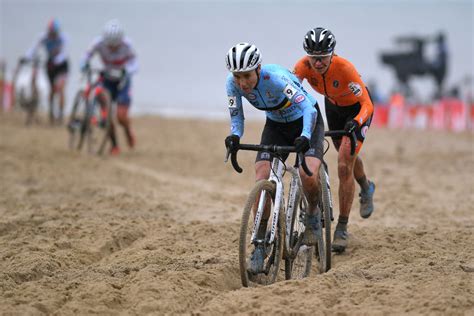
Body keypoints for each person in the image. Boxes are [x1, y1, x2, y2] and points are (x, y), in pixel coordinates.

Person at [224, 42, 325, 273]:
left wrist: (305, 136)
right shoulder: (232, 85)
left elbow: (309, 109)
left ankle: (312, 214)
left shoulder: (276, 79)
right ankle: (259, 244)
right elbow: (237, 118)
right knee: (261, 175)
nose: (242, 83)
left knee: (306, 173)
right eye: (237, 76)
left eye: (247, 76)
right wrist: (234, 136)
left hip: (306, 120)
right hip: (276, 125)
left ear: (258, 69)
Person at [293, 27, 376, 253]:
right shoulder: (302, 66)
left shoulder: (345, 69)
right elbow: (290, 89)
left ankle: (341, 227)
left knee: (342, 164)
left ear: (332, 53)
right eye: (313, 58)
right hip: (333, 106)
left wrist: (357, 122)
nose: (318, 63)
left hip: (357, 110)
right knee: (347, 158)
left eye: (322, 58)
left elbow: (367, 104)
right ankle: (366, 187)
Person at [80, 19, 138, 155]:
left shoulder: (127, 45)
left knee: (121, 117)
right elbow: (86, 56)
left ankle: (128, 131)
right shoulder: (98, 43)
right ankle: (114, 145)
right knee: (107, 114)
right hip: (106, 79)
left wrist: (128, 70)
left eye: (115, 46)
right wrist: (84, 64)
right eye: (110, 46)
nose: (112, 49)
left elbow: (135, 63)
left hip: (123, 81)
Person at [24, 18, 69, 124]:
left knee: (61, 88)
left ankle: (61, 115)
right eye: (51, 33)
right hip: (50, 65)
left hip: (62, 65)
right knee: (52, 91)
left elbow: (65, 53)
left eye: (54, 33)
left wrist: (57, 60)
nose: (52, 35)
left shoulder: (63, 38)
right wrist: (26, 57)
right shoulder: (43, 37)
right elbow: (33, 49)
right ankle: (51, 113)